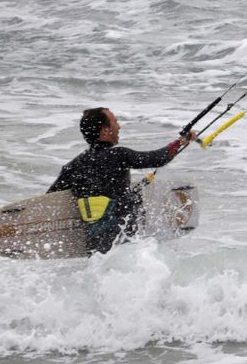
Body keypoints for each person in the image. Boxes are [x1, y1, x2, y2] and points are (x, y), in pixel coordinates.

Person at [48, 107, 196, 254]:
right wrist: (181, 142)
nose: (118, 127)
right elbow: (157, 158)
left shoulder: (73, 166)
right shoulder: (118, 155)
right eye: (115, 122)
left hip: (94, 244)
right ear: (105, 131)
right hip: (124, 241)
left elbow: (49, 199)